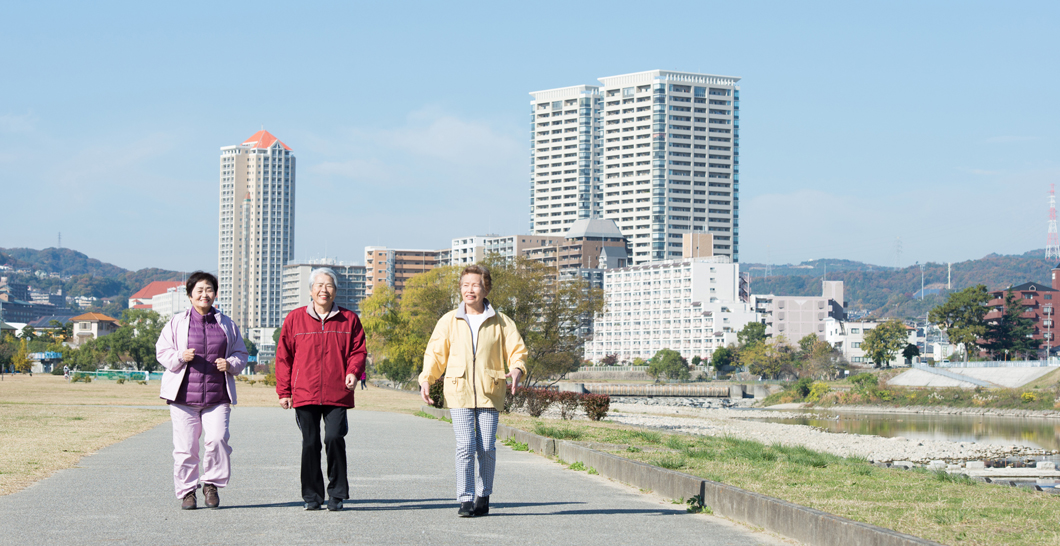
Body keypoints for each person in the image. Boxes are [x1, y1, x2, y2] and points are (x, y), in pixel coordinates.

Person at [419, 264, 527, 518]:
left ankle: (484, 494)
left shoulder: (501, 321)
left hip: (490, 390)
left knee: (486, 446)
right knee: (465, 445)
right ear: (460, 288)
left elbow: (517, 351)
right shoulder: (449, 320)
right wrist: (426, 379)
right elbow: (435, 353)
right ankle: (465, 499)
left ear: (485, 287)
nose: (470, 290)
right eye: (465, 285)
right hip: (459, 390)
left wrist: (517, 369)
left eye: (475, 285)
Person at [275, 267, 367, 511]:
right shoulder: (295, 319)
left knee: (334, 437)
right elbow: (283, 357)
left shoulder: (349, 319)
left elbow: (358, 350)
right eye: (319, 285)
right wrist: (284, 391)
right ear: (310, 290)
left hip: (338, 391)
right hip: (305, 391)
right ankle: (312, 496)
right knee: (310, 443)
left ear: (335, 291)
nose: (323, 290)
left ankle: (337, 493)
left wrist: (353, 371)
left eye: (329, 286)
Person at [156, 271, 248, 510]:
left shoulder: (227, 323)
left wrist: (230, 364)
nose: (204, 294)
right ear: (190, 295)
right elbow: (162, 352)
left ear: (215, 294)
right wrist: (180, 356)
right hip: (184, 398)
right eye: (199, 290)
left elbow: (241, 353)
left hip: (217, 396)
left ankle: (211, 484)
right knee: (186, 448)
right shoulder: (176, 322)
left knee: (217, 439)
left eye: (209, 290)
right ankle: (187, 491)